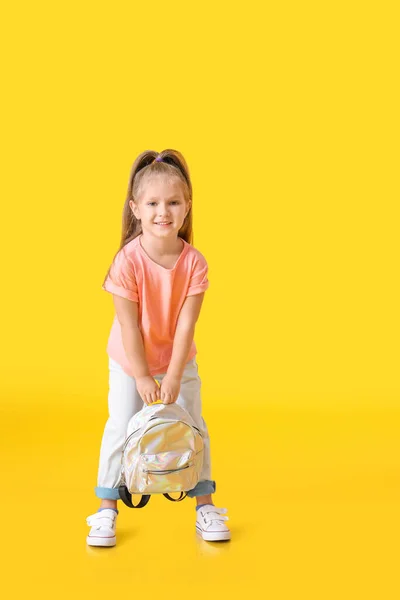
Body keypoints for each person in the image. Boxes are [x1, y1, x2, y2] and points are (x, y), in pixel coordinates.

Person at [86, 149, 230, 546]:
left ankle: (205, 505)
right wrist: (144, 376)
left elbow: (187, 324)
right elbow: (129, 325)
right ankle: (106, 509)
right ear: (135, 208)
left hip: (178, 360)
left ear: (186, 208)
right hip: (132, 362)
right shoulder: (127, 262)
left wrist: (172, 375)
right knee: (120, 426)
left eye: (172, 202)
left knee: (195, 425)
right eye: (152, 203)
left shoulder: (194, 263)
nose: (162, 212)